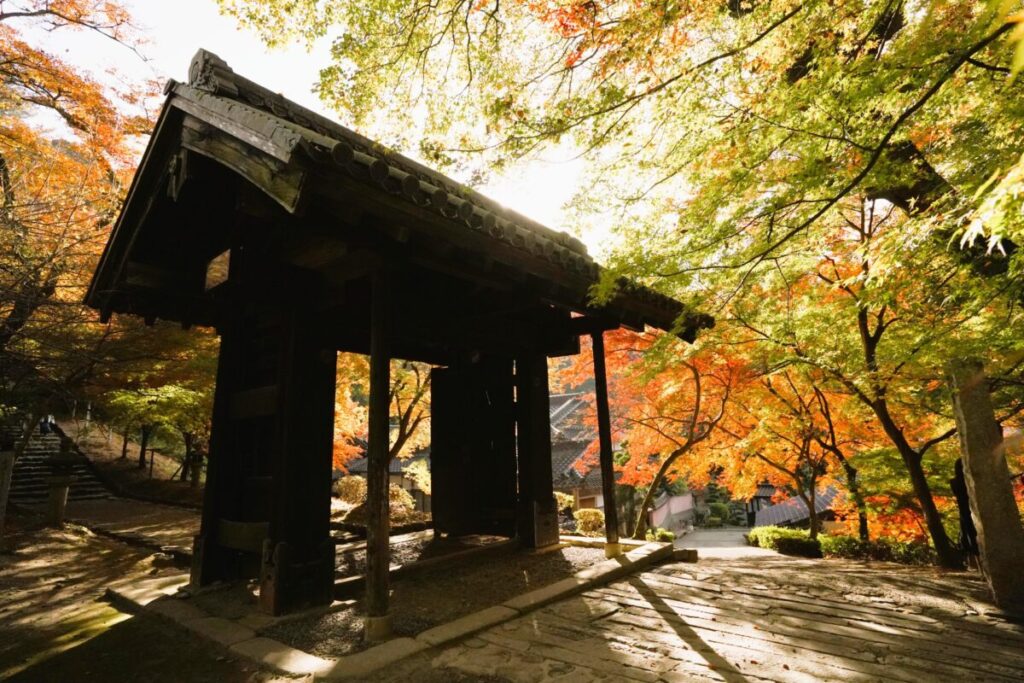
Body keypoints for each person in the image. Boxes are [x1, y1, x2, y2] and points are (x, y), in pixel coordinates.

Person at [950, 458, 981, 571]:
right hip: (975, 511)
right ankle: (982, 568)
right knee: (976, 537)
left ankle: (980, 569)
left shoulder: (954, 482)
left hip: (964, 513)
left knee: (971, 538)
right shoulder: (972, 481)